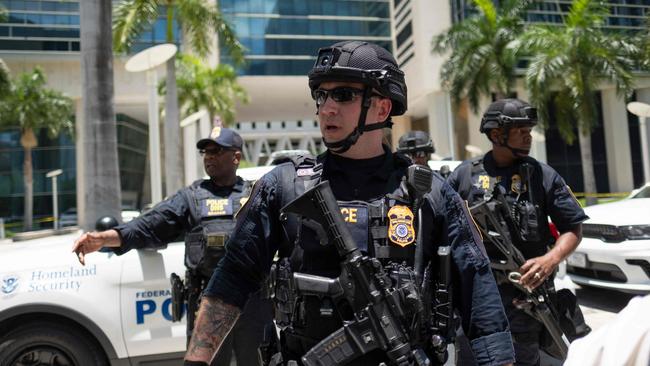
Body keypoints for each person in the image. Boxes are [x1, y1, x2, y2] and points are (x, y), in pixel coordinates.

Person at [184, 41, 514, 366]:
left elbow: (480, 301)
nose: (327, 108)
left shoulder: (433, 194)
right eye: (321, 95)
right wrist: (197, 360)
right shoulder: (282, 186)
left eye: (343, 95)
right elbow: (232, 278)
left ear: (382, 108)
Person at [72, 127, 272, 366]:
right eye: (205, 152)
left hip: (253, 302)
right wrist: (105, 238)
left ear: (236, 157)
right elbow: (149, 224)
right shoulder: (191, 197)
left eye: (216, 151)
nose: (208, 156)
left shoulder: (257, 195)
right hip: (209, 302)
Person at [447, 98, 589, 365]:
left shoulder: (542, 175)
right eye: (522, 132)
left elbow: (572, 228)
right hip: (477, 301)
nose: (529, 138)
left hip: (527, 303)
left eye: (529, 132)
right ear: (497, 134)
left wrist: (550, 260)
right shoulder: (463, 176)